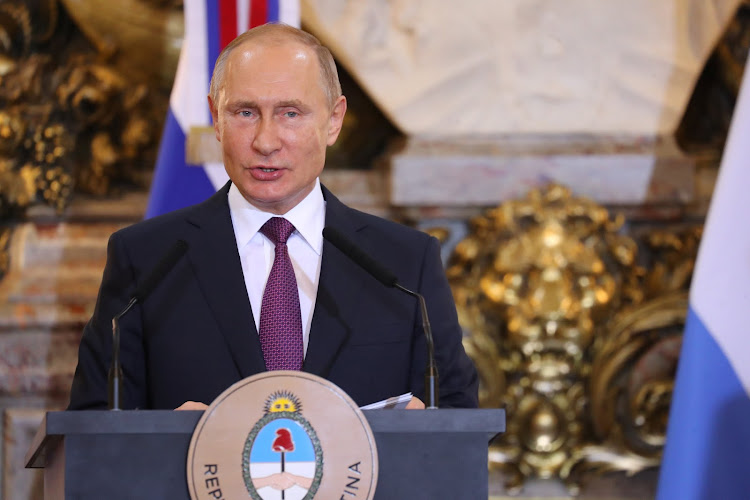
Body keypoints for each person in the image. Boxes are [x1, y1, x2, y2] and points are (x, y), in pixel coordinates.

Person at [67, 23, 478, 411]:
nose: (265, 141)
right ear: (216, 118)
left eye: (290, 114)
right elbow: (93, 423)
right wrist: (166, 440)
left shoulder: (405, 264)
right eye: (245, 113)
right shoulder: (147, 258)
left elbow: (459, 413)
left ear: (334, 120)